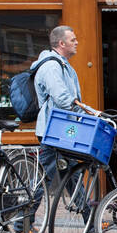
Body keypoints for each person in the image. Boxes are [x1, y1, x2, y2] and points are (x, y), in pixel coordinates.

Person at [33, 25, 85, 191]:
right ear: (62, 43)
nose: (77, 42)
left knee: (71, 174)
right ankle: (22, 216)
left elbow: (72, 100)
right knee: (43, 178)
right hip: (52, 130)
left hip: (61, 129)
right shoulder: (51, 67)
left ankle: (88, 215)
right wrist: (89, 112)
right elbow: (62, 98)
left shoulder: (64, 66)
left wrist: (89, 114)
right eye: (73, 40)